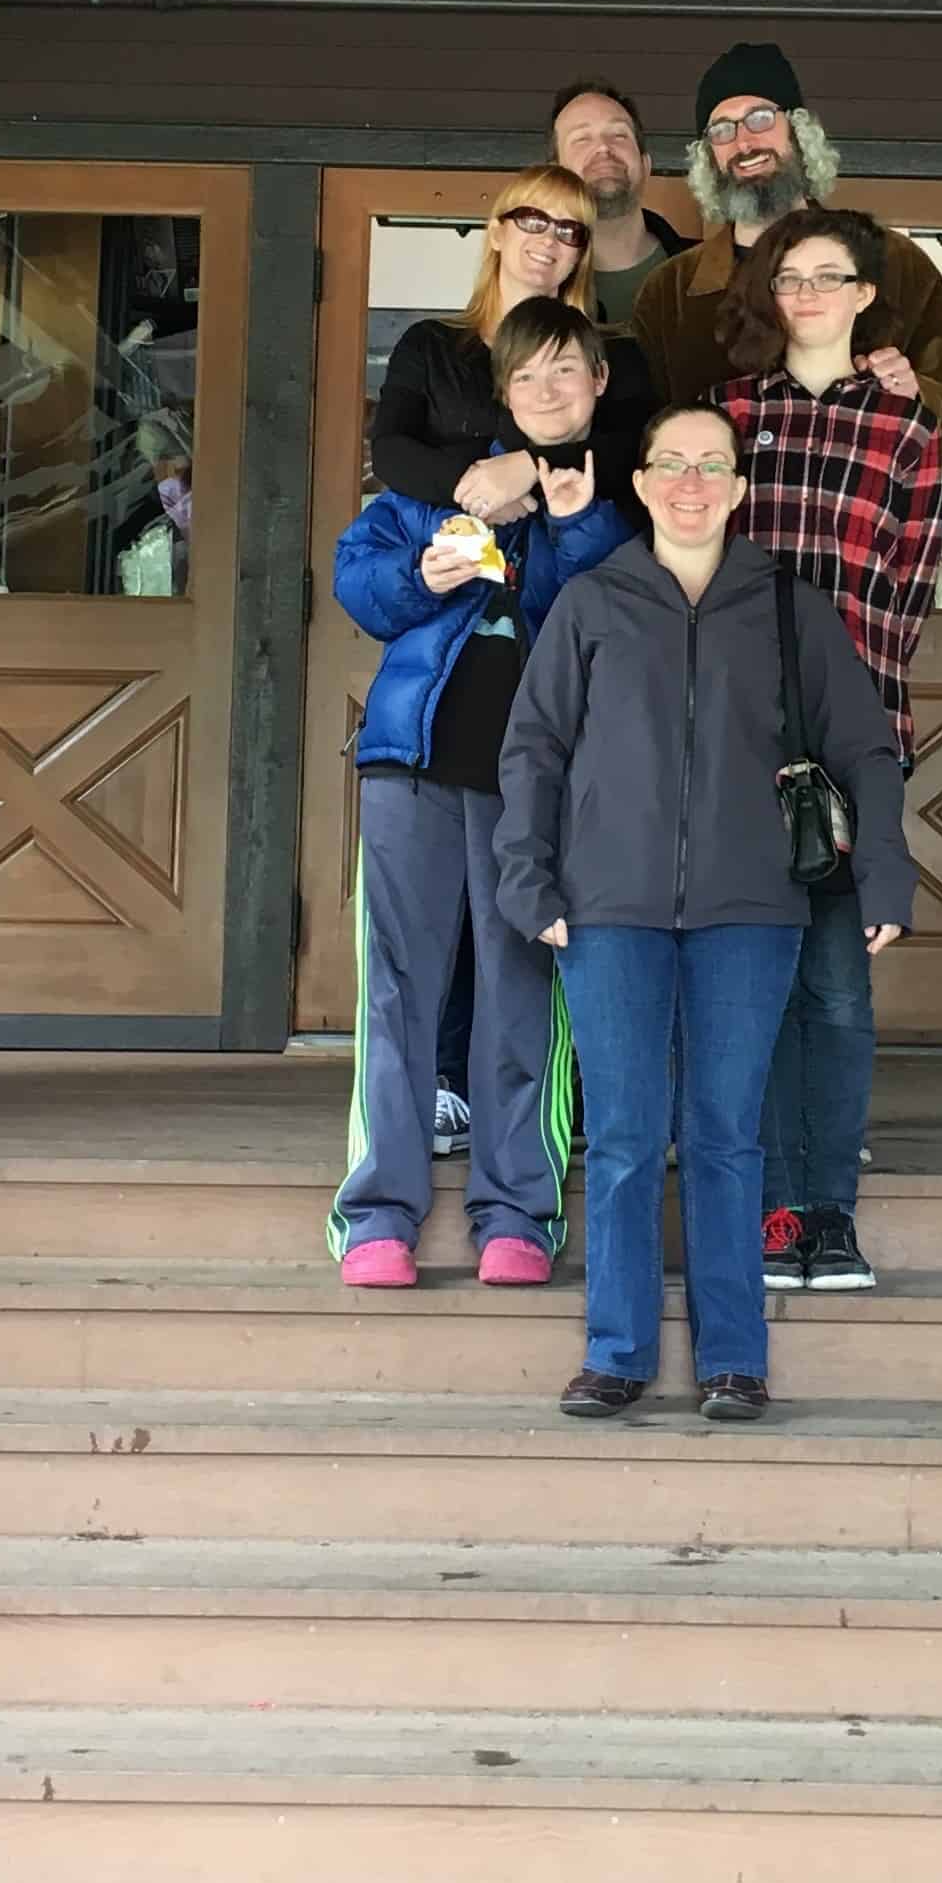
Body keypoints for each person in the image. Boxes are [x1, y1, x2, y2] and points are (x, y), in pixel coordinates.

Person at [499, 403, 911, 1423]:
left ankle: (735, 1358)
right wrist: (529, 885)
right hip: (608, 909)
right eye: (671, 463)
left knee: (728, 1137)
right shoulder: (592, 604)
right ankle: (617, 1353)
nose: (691, 482)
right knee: (630, 1137)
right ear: (639, 482)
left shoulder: (787, 606)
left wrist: (888, 875)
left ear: (737, 487)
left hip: (751, 908)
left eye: (711, 466)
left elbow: (864, 748)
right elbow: (533, 752)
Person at [327, 301, 635, 1289]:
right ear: (502, 392)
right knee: (399, 991)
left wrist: (578, 520)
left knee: (524, 994)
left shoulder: (611, 509)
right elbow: (358, 581)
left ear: (598, 387)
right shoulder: (437, 489)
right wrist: (424, 572)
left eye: (569, 373)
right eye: (530, 376)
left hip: (535, 791)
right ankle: (378, 1212)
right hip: (410, 766)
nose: (551, 391)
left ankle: (518, 1211)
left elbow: (619, 628)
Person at [711, 208, 942, 1297]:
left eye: (829, 277)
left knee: (840, 989)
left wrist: (863, 725)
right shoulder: (731, 418)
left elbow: (907, 591)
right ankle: (769, 1210)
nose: (807, 293)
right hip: (733, 735)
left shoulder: (904, 431)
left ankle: (831, 1218)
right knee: (749, 983)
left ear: (865, 296)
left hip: (852, 733)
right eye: (788, 277)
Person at [628, 40, 942, 459]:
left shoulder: (892, 263)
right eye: (722, 129)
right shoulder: (669, 294)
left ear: (798, 128)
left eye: (760, 118)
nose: (743, 143)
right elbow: (644, 436)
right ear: (708, 154)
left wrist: (916, 393)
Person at [371, 165, 654, 517]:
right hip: (454, 559)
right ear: (496, 234)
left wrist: (529, 467)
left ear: (580, 254)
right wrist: (480, 492)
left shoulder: (617, 351)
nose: (550, 239)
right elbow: (389, 450)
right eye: (533, 220)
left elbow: (641, 450)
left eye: (569, 230)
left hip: (585, 561)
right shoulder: (429, 345)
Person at [548, 75, 688, 328]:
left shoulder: (712, 273)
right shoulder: (535, 286)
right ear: (555, 175)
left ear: (646, 166)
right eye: (581, 138)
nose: (603, 148)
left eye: (619, 135)